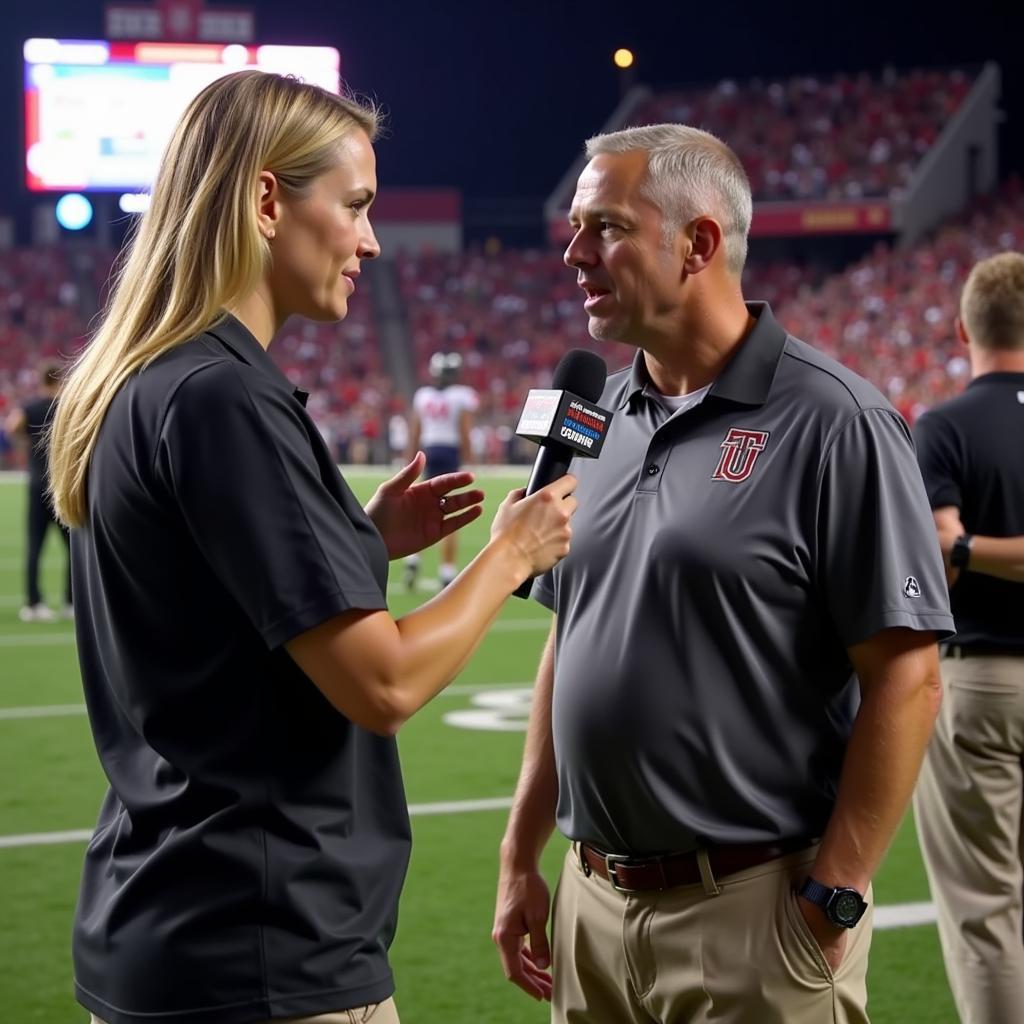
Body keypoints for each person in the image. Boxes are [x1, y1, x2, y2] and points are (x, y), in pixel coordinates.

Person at [47, 70, 576, 1024]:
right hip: (258, 946)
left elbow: (211, 618)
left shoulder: (151, 379)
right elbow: (383, 686)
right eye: (356, 205)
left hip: (170, 922)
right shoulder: (225, 397)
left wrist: (357, 543)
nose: (372, 238)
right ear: (263, 200)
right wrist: (512, 552)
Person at [491, 123, 954, 1024]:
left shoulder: (838, 422)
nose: (573, 252)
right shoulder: (594, 412)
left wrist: (839, 892)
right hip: (593, 901)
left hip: (754, 906)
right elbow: (569, 630)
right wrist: (520, 856)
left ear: (698, 243)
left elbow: (908, 674)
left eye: (606, 228)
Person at [911, 251, 1024, 1024]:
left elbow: (942, 561)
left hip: (983, 680)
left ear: (960, 331)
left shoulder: (943, 426)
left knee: (986, 910)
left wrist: (962, 546)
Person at [402, 351, 479, 590]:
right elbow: (464, 430)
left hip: (429, 452)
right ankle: (446, 571)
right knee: (447, 510)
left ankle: (413, 558)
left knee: (423, 506)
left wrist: (409, 460)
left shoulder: (422, 395)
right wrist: (471, 460)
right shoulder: (462, 395)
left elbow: (414, 432)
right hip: (450, 453)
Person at [4, 363, 72, 622]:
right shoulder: (66, 407)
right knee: (72, 548)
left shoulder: (29, 407)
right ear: (59, 380)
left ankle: (33, 603)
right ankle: (70, 601)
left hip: (35, 484)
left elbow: (12, 427)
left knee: (35, 546)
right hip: (60, 486)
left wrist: (27, 440)